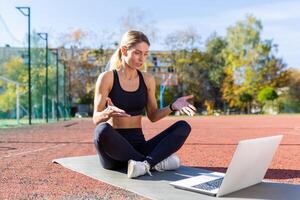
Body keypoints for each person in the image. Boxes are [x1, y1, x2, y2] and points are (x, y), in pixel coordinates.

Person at [93, 30, 196, 179]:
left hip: (139, 145)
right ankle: (154, 162)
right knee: (101, 130)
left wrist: (172, 106)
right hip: (114, 151)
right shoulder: (107, 78)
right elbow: (96, 119)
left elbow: (153, 116)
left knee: (183, 126)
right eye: (137, 53)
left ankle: (145, 165)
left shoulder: (147, 79)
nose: (142, 59)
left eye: (145, 54)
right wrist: (106, 113)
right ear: (124, 50)